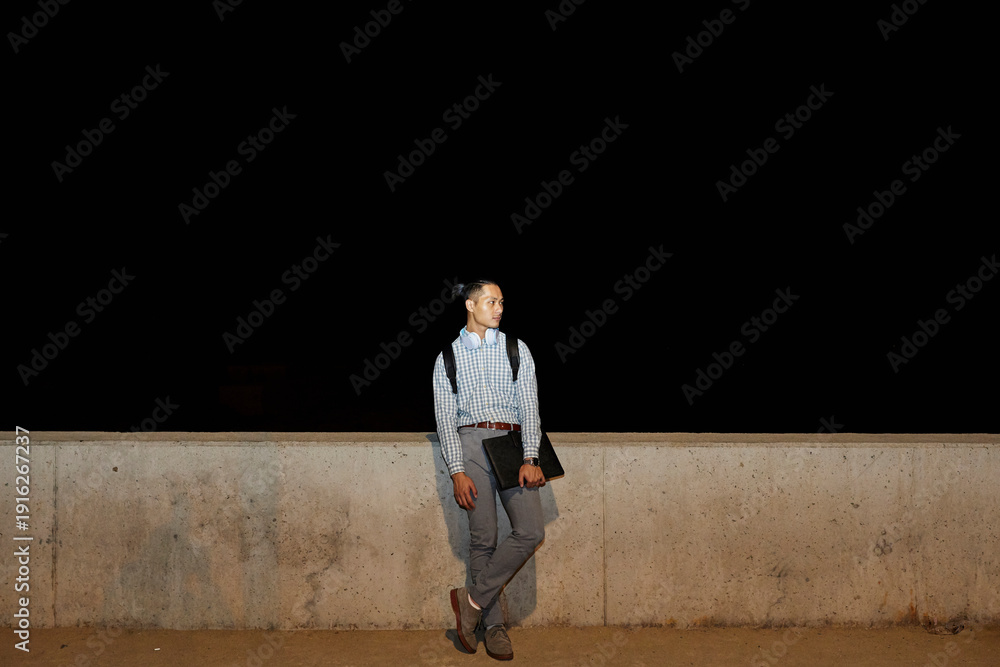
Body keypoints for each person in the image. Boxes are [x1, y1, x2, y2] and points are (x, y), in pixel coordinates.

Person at [432, 279, 546, 661]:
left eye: (501, 302)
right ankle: (494, 627)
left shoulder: (516, 348)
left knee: (530, 531)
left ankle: (470, 603)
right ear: (470, 305)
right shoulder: (447, 358)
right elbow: (445, 421)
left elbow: (530, 407)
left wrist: (531, 458)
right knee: (483, 540)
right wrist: (456, 471)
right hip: (470, 445)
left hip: (512, 445)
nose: (499, 308)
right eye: (491, 301)